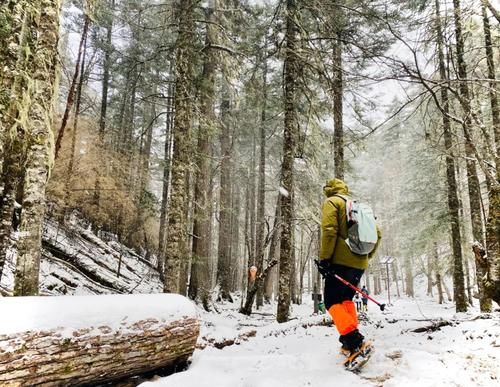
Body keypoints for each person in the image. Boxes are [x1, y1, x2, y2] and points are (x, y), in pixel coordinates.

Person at [317, 178, 381, 353]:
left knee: (331, 301)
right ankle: (349, 339)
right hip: (359, 263)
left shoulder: (332, 202)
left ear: (329, 190)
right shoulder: (356, 206)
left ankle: (354, 341)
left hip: (340, 262)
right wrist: (365, 257)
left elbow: (329, 231)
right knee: (345, 300)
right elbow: (379, 234)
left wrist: (325, 259)